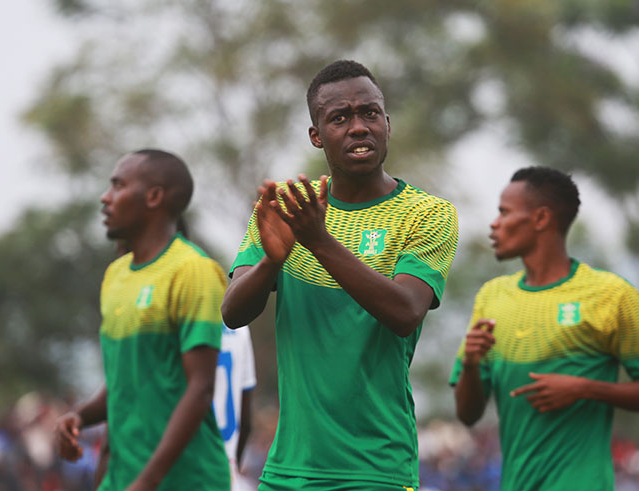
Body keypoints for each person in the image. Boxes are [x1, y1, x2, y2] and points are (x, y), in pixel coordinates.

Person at [221, 59, 459, 490]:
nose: (358, 126)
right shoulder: (287, 209)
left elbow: (405, 312)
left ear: (387, 123)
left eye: (369, 113)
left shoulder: (427, 213)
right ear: (317, 136)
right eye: (339, 117)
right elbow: (233, 312)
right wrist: (272, 262)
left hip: (376, 470)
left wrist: (319, 242)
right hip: (287, 471)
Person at [451, 166, 639, 490]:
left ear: (541, 219)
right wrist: (471, 364)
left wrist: (584, 388)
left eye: (504, 213)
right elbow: (468, 414)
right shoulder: (492, 297)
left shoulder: (611, 295)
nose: (494, 223)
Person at [54, 149, 230, 490]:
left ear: (153, 197)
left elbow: (200, 387)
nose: (106, 198)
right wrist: (80, 415)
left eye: (118, 186)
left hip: (186, 481)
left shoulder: (193, 270)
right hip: (123, 479)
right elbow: (125, 379)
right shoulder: (115, 276)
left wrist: (148, 480)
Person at [213, 324, 256, 490]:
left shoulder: (176, 318)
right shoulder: (240, 327)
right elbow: (245, 421)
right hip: (227, 474)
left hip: (189, 471)